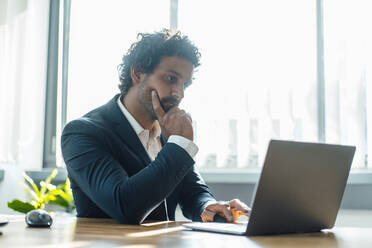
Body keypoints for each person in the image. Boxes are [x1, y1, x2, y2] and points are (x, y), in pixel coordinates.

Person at [61, 29, 250, 224]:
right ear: (137, 73)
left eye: (184, 84)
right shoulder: (82, 133)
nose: (179, 93)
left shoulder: (168, 131)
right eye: (171, 78)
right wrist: (179, 145)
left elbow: (193, 191)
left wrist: (208, 206)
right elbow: (125, 205)